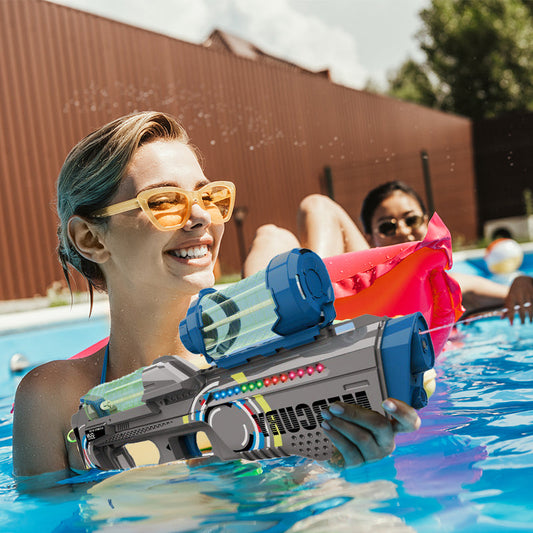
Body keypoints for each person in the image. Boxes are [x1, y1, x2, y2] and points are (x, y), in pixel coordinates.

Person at [12, 113, 420, 478]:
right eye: (165, 201)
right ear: (90, 238)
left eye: (209, 197)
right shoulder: (54, 399)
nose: (203, 216)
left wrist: (348, 463)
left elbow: (305, 495)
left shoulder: (271, 360)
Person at [243, 181, 533, 325]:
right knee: (270, 235)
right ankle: (269, 315)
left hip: (389, 326)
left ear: (427, 220)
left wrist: (521, 284)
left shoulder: (448, 284)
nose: (404, 231)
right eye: (388, 226)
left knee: (313, 207)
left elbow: (514, 299)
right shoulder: (368, 271)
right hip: (362, 294)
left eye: (412, 220)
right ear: (369, 237)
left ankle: (306, 301)